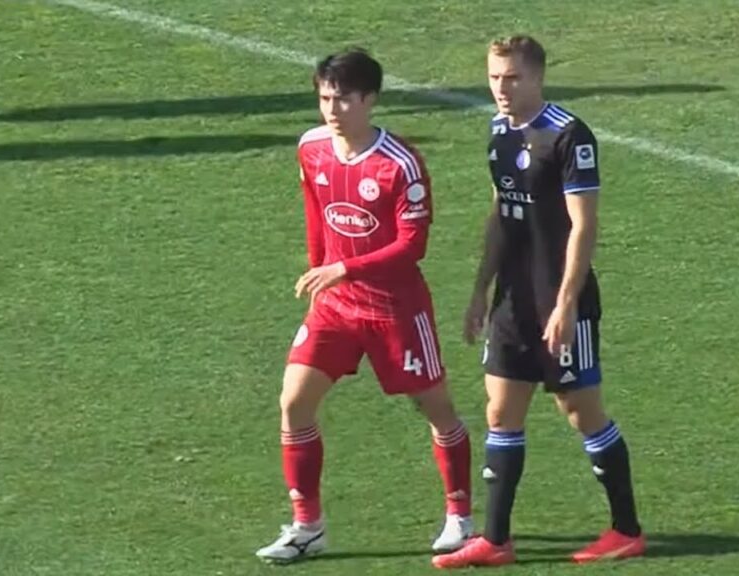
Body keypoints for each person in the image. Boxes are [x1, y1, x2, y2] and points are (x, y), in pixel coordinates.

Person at [432, 35, 646, 569]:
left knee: (581, 411)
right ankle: (496, 540)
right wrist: (481, 289)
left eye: (513, 78)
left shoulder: (568, 135)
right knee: (500, 411)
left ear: (538, 77)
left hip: (561, 299)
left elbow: (583, 225)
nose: (501, 89)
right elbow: (502, 212)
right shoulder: (499, 131)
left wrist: (568, 303)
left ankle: (626, 530)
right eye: (494, 77)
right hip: (512, 300)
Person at [255, 48, 473, 563]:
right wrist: (319, 271)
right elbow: (316, 210)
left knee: (434, 408)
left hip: (395, 309)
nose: (333, 110)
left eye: (344, 99)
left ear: (370, 99)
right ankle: (308, 526)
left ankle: (460, 516)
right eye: (325, 97)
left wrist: (344, 268)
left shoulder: (400, 164)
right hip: (334, 306)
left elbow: (411, 246)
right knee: (294, 403)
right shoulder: (311, 148)